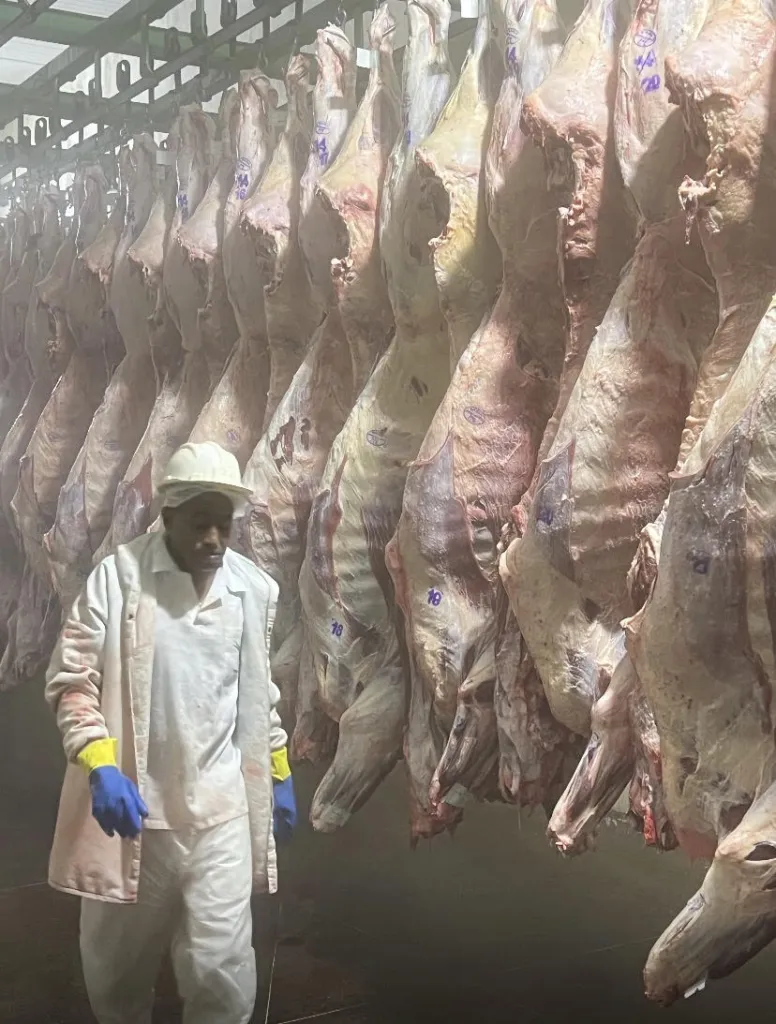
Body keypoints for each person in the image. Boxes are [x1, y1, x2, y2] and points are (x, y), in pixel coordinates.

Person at [45, 441, 297, 1024]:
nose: (213, 539)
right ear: (167, 517)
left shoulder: (251, 588)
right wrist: (100, 765)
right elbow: (73, 681)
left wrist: (278, 768)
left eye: (224, 525)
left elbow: (258, 696)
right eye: (199, 523)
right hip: (139, 815)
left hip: (222, 815)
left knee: (222, 971)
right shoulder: (117, 579)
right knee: (118, 969)